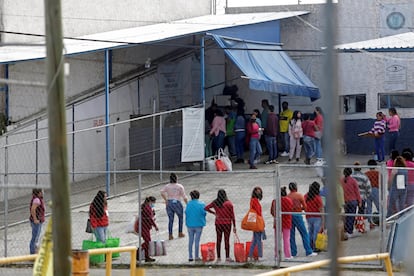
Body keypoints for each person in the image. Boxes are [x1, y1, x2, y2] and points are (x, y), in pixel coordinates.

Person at [205, 189, 236, 263]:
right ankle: (227, 257)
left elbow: (206, 208)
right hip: (227, 223)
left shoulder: (215, 202)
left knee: (218, 240)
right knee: (226, 240)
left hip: (218, 223)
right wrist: (234, 226)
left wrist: (214, 213)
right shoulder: (229, 203)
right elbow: (232, 215)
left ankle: (219, 257)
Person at [287, 182, 317, 257]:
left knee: (291, 235)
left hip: (290, 216)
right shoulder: (299, 195)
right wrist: (299, 208)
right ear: (296, 187)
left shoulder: (288, 196)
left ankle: (293, 252)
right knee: (304, 233)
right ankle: (308, 251)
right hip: (298, 215)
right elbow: (305, 207)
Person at [160, 173, 188, 240]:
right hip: (177, 202)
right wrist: (188, 204)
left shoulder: (167, 186)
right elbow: (184, 196)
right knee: (180, 218)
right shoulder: (179, 186)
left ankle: (170, 235)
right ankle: (180, 232)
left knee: (171, 219)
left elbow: (161, 192)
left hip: (169, 202)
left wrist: (166, 199)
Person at [271, 186, 293, 260]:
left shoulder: (275, 201)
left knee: (277, 240)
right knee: (286, 239)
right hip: (287, 221)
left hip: (277, 222)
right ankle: (287, 255)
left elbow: (272, 212)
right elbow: (291, 209)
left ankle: (276, 255)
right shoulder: (289, 200)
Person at [340, 168, 362, 239]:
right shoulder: (353, 181)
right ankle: (350, 231)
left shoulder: (341, 181)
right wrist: (360, 201)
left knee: (346, 216)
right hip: (353, 201)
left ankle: (346, 230)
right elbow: (357, 192)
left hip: (345, 201)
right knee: (351, 217)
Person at [185, 190, 206, 262]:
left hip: (190, 224)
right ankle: (196, 256)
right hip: (199, 224)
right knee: (197, 241)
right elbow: (204, 213)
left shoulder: (188, 204)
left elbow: (186, 212)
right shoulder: (202, 204)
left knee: (190, 240)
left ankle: (190, 256)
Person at [304, 182, 324, 252]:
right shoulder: (317, 197)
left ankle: (310, 245)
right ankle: (315, 247)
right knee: (316, 232)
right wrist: (323, 220)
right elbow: (321, 209)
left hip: (308, 216)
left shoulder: (306, 196)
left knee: (310, 231)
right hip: (317, 217)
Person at [139, 196, 158, 262]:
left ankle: (142, 253)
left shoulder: (146, 207)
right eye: (153, 203)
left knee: (147, 241)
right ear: (150, 202)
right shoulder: (147, 208)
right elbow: (150, 218)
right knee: (147, 241)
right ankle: (141, 253)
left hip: (144, 226)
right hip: (144, 226)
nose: (154, 204)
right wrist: (155, 226)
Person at [247, 186, 264, 261]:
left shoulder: (253, 200)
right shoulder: (255, 201)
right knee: (258, 240)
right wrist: (262, 223)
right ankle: (259, 256)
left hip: (255, 220)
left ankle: (250, 255)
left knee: (255, 239)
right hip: (257, 221)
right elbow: (258, 212)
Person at [365, 159, 380, 228]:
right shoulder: (377, 173)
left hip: (367, 190)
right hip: (375, 189)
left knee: (369, 206)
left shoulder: (366, 174)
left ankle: (370, 222)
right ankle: (382, 219)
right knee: (378, 206)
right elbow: (380, 182)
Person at [29, 188, 45, 254]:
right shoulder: (37, 200)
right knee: (35, 237)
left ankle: (35, 250)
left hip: (39, 220)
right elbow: (33, 209)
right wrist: (35, 219)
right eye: (42, 191)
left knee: (36, 237)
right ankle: (33, 252)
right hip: (37, 221)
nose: (43, 192)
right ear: (39, 193)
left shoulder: (38, 199)